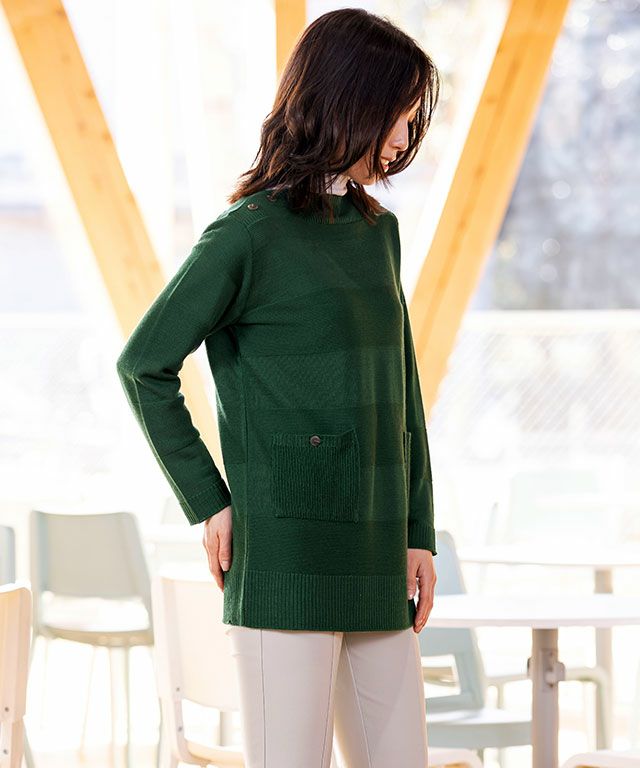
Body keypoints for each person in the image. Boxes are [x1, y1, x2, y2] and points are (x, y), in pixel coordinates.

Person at [116, 7, 440, 767]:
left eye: (409, 119)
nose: (404, 138)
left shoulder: (378, 233)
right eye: (397, 115)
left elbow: (403, 394)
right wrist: (209, 501)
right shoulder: (247, 234)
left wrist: (418, 529)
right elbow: (143, 365)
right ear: (349, 102)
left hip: (377, 555)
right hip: (285, 555)